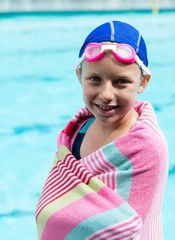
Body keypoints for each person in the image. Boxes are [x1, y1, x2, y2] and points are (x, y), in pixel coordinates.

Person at [35, 20, 168, 240]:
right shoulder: (77, 132)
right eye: (95, 79)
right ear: (80, 76)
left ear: (143, 82)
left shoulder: (147, 149)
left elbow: (122, 228)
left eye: (121, 82)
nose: (106, 94)